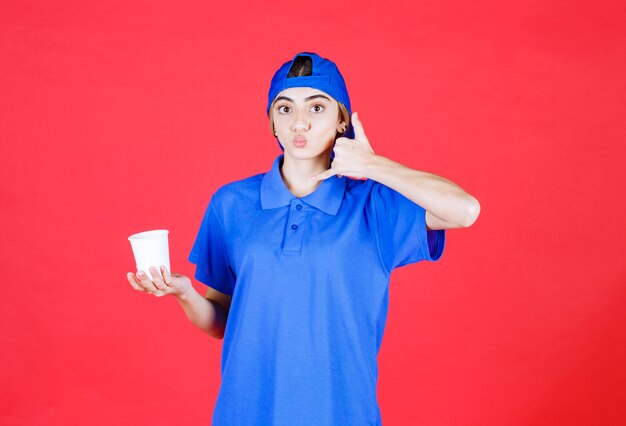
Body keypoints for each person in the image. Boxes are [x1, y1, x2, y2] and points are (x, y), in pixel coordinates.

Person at [127, 52, 480, 425]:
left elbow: (465, 210)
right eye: (284, 109)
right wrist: (185, 294)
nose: (299, 123)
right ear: (271, 124)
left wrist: (372, 165)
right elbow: (221, 321)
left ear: (342, 120)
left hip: (342, 414)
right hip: (246, 413)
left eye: (316, 108)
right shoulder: (231, 204)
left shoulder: (373, 206)